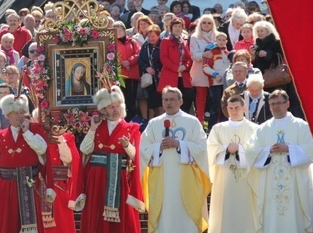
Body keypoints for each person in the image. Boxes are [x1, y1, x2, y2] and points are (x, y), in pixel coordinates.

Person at [247, 89, 313, 233]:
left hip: (296, 183)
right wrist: (268, 150)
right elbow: (251, 151)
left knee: (295, 215)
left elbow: (312, 150)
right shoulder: (262, 129)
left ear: (288, 104)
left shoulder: (301, 126)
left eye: (279, 103)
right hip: (270, 184)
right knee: (272, 216)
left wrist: (290, 149)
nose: (275, 107)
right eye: (272, 104)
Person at [140, 86, 210, 233]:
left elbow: (202, 148)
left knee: (186, 218)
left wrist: (179, 144)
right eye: (165, 100)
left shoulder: (192, 122)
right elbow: (143, 149)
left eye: (172, 99)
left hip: (187, 181)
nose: (168, 103)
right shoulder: (154, 123)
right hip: (161, 181)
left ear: (181, 101)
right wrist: (158, 147)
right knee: (164, 217)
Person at [0, 94, 54, 233]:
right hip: (6, 187)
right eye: (16, 113)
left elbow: (42, 149)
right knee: (6, 223)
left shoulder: (35, 129)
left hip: (29, 184)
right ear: (8, 115)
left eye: (22, 112)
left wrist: (27, 132)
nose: (20, 116)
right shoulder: (0, 134)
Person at [79, 85, 144, 233]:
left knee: (122, 218)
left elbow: (136, 157)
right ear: (103, 110)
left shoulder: (131, 128)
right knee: (96, 217)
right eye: (110, 107)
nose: (115, 110)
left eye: (117, 106)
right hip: (97, 180)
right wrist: (92, 129)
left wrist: (127, 146)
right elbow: (84, 149)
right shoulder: (97, 127)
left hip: (120, 180)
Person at [207, 95, 259, 233]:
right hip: (224, 181)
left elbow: (258, 152)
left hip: (247, 181)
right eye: (230, 108)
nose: (234, 111)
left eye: (237, 108)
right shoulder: (218, 129)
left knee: (246, 213)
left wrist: (240, 149)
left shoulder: (254, 129)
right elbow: (210, 150)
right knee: (225, 212)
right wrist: (226, 148)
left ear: (244, 107)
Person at [158, 17, 194, 114]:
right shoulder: (165, 41)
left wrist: (185, 66)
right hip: (170, 74)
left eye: (179, 26)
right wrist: (176, 68)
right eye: (175, 26)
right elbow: (164, 58)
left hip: (183, 74)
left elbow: (188, 57)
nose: (177, 28)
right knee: (171, 97)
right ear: (171, 28)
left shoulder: (184, 41)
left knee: (187, 96)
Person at [189, 14, 218, 124]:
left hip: (215, 70)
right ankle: (200, 123)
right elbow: (193, 55)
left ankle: (216, 123)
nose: (206, 25)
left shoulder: (218, 36)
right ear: (200, 24)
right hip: (200, 71)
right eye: (204, 22)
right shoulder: (195, 37)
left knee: (215, 99)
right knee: (200, 99)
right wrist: (204, 54)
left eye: (209, 22)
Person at [202, 32, 230, 130]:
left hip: (226, 84)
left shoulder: (228, 53)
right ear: (216, 41)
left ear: (226, 41)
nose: (221, 42)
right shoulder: (212, 52)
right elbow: (205, 67)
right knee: (216, 106)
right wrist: (215, 75)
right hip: (215, 84)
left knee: (225, 106)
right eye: (219, 40)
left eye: (223, 40)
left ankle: (224, 127)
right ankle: (211, 128)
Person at [114, 21, 140, 121]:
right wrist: (122, 63)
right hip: (121, 76)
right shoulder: (113, 43)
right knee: (122, 99)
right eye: (116, 30)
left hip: (132, 75)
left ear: (125, 30)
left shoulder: (132, 42)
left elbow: (138, 53)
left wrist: (129, 61)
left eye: (120, 30)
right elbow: (111, 55)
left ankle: (132, 120)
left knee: (132, 100)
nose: (119, 32)